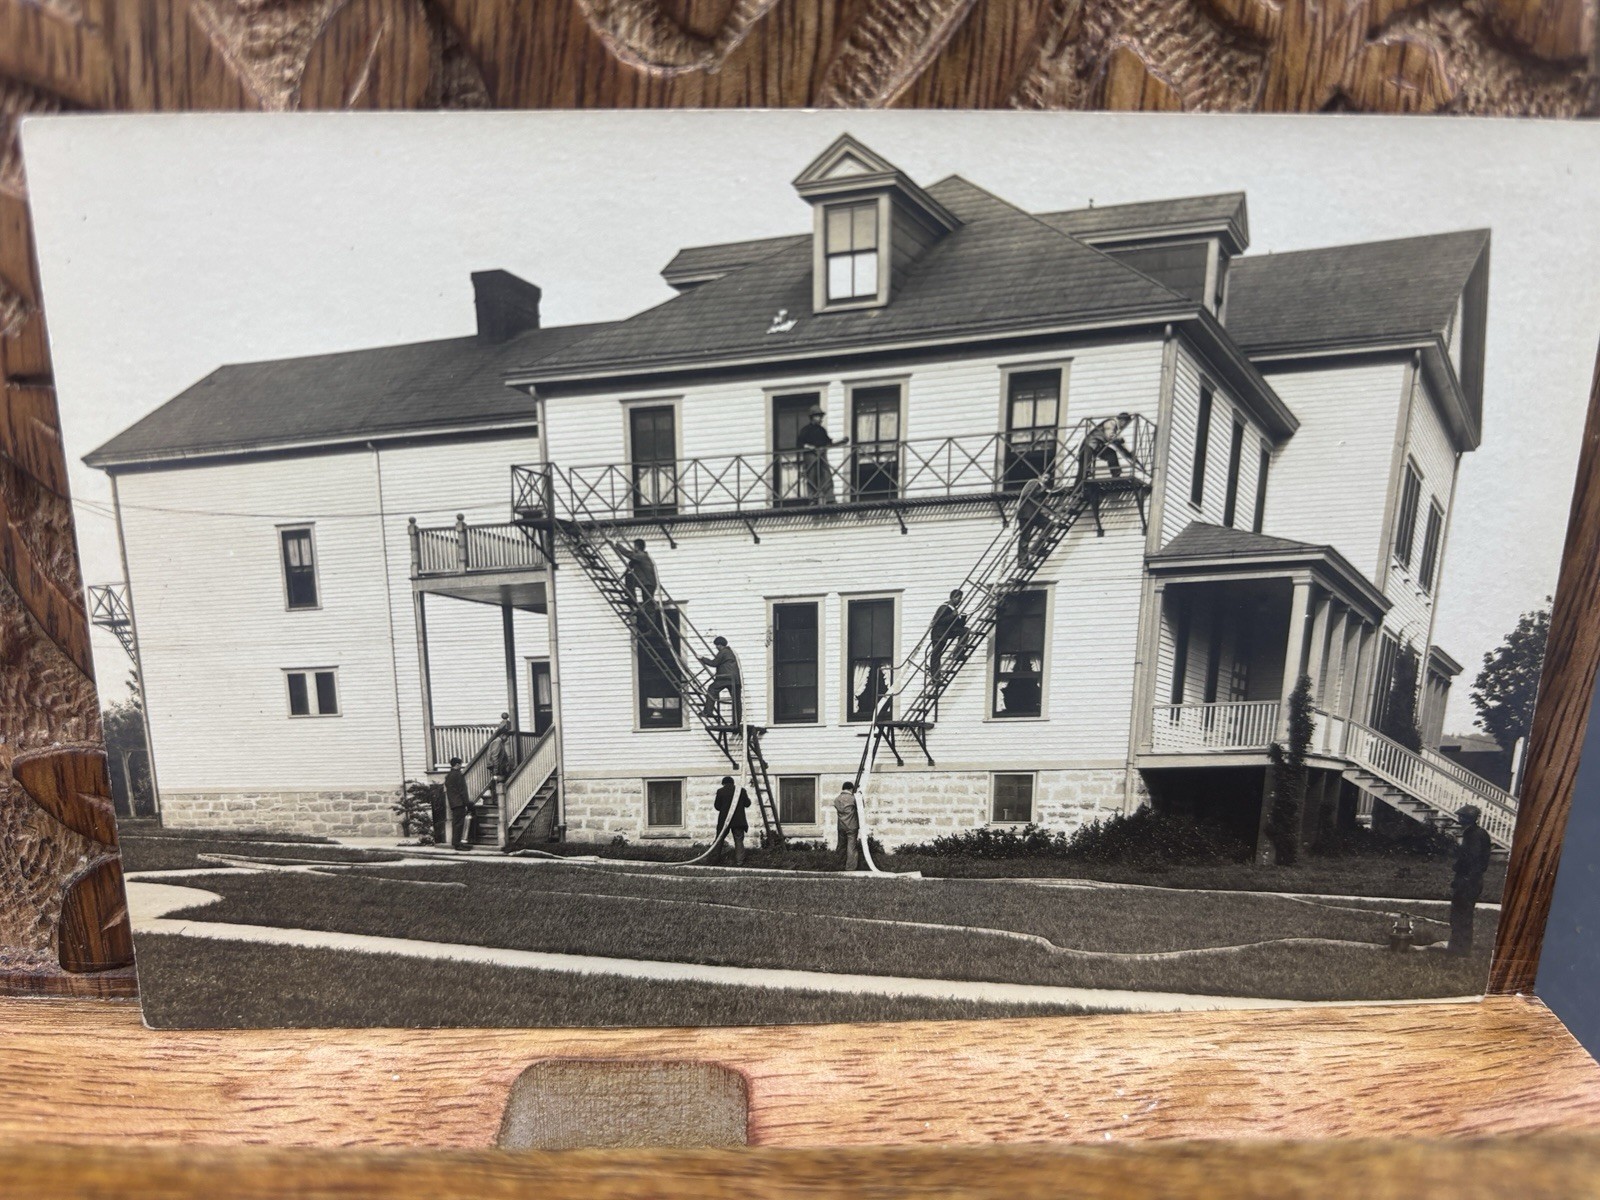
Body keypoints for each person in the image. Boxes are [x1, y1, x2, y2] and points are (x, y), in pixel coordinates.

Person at [1449, 804, 1493, 956]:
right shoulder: (1480, 833)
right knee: (1464, 914)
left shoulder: (1472, 835)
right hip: (1473, 879)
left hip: (1468, 880)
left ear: (1466, 818)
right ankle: (1460, 948)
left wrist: (1463, 876)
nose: (1458, 819)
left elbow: (1471, 858)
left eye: (1461, 816)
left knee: (1460, 915)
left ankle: (1459, 950)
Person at [796, 405, 847, 504]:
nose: (820, 419)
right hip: (811, 455)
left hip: (822, 453)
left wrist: (841, 441)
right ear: (813, 417)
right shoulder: (805, 430)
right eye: (818, 416)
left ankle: (830, 498)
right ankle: (813, 499)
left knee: (826, 475)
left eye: (821, 417)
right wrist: (809, 447)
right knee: (812, 476)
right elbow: (799, 444)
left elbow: (829, 442)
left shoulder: (821, 430)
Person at [1077, 412, 1134, 485]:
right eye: (1125, 424)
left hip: (1097, 446)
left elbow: (1116, 443)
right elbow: (1110, 436)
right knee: (1084, 468)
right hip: (1088, 445)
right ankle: (1078, 489)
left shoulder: (1115, 427)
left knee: (1111, 454)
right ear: (1122, 420)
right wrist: (1119, 439)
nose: (1125, 426)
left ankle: (1116, 475)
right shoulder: (1111, 423)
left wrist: (1128, 454)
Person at [1014, 473, 1055, 568]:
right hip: (1026, 514)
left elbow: (1039, 500)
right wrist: (1042, 490)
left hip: (1035, 514)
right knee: (1025, 538)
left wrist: (1045, 498)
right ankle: (1023, 562)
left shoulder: (1042, 488)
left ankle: (1038, 546)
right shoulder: (1034, 483)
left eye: (1048, 478)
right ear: (1040, 477)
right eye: (1045, 477)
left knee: (1050, 525)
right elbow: (1026, 495)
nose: (1046, 480)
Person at [698, 635, 743, 723]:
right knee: (736, 701)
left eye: (716, 646)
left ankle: (708, 711)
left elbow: (714, 663)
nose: (716, 648)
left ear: (719, 645)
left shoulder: (723, 652)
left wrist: (702, 658)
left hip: (725, 678)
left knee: (712, 688)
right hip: (735, 680)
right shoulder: (731, 652)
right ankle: (736, 722)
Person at [710, 775, 752, 866]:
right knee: (738, 840)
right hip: (738, 820)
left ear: (723, 783)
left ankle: (713, 861)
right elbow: (747, 804)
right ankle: (740, 862)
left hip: (724, 820)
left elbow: (717, 806)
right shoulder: (741, 790)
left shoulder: (720, 791)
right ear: (733, 783)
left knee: (719, 840)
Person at [610, 538, 659, 615]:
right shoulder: (642, 557)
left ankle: (631, 598)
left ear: (637, 547)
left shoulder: (641, 556)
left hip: (648, 583)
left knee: (648, 605)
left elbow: (628, 553)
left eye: (634, 546)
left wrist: (616, 544)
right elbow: (631, 564)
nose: (633, 548)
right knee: (648, 604)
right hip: (647, 582)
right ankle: (631, 598)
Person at [928, 589, 968, 684]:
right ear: (953, 598)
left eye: (961, 598)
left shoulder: (953, 609)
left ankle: (958, 653)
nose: (960, 600)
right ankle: (935, 678)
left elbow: (958, 625)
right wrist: (952, 615)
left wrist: (963, 617)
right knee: (936, 655)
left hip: (946, 632)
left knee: (965, 631)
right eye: (959, 598)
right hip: (939, 634)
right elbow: (938, 621)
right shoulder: (944, 607)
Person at [443, 756, 471, 851]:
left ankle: (455, 842)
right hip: (459, 802)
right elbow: (462, 790)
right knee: (459, 824)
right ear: (457, 764)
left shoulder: (449, 775)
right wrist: (467, 803)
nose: (461, 766)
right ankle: (458, 844)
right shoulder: (458, 775)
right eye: (460, 764)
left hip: (453, 803)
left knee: (456, 823)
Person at [834, 781, 862, 871]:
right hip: (852, 826)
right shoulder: (852, 798)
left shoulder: (837, 799)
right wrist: (860, 797)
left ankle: (838, 865)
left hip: (841, 826)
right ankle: (850, 868)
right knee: (851, 847)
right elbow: (861, 808)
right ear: (851, 788)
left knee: (841, 846)